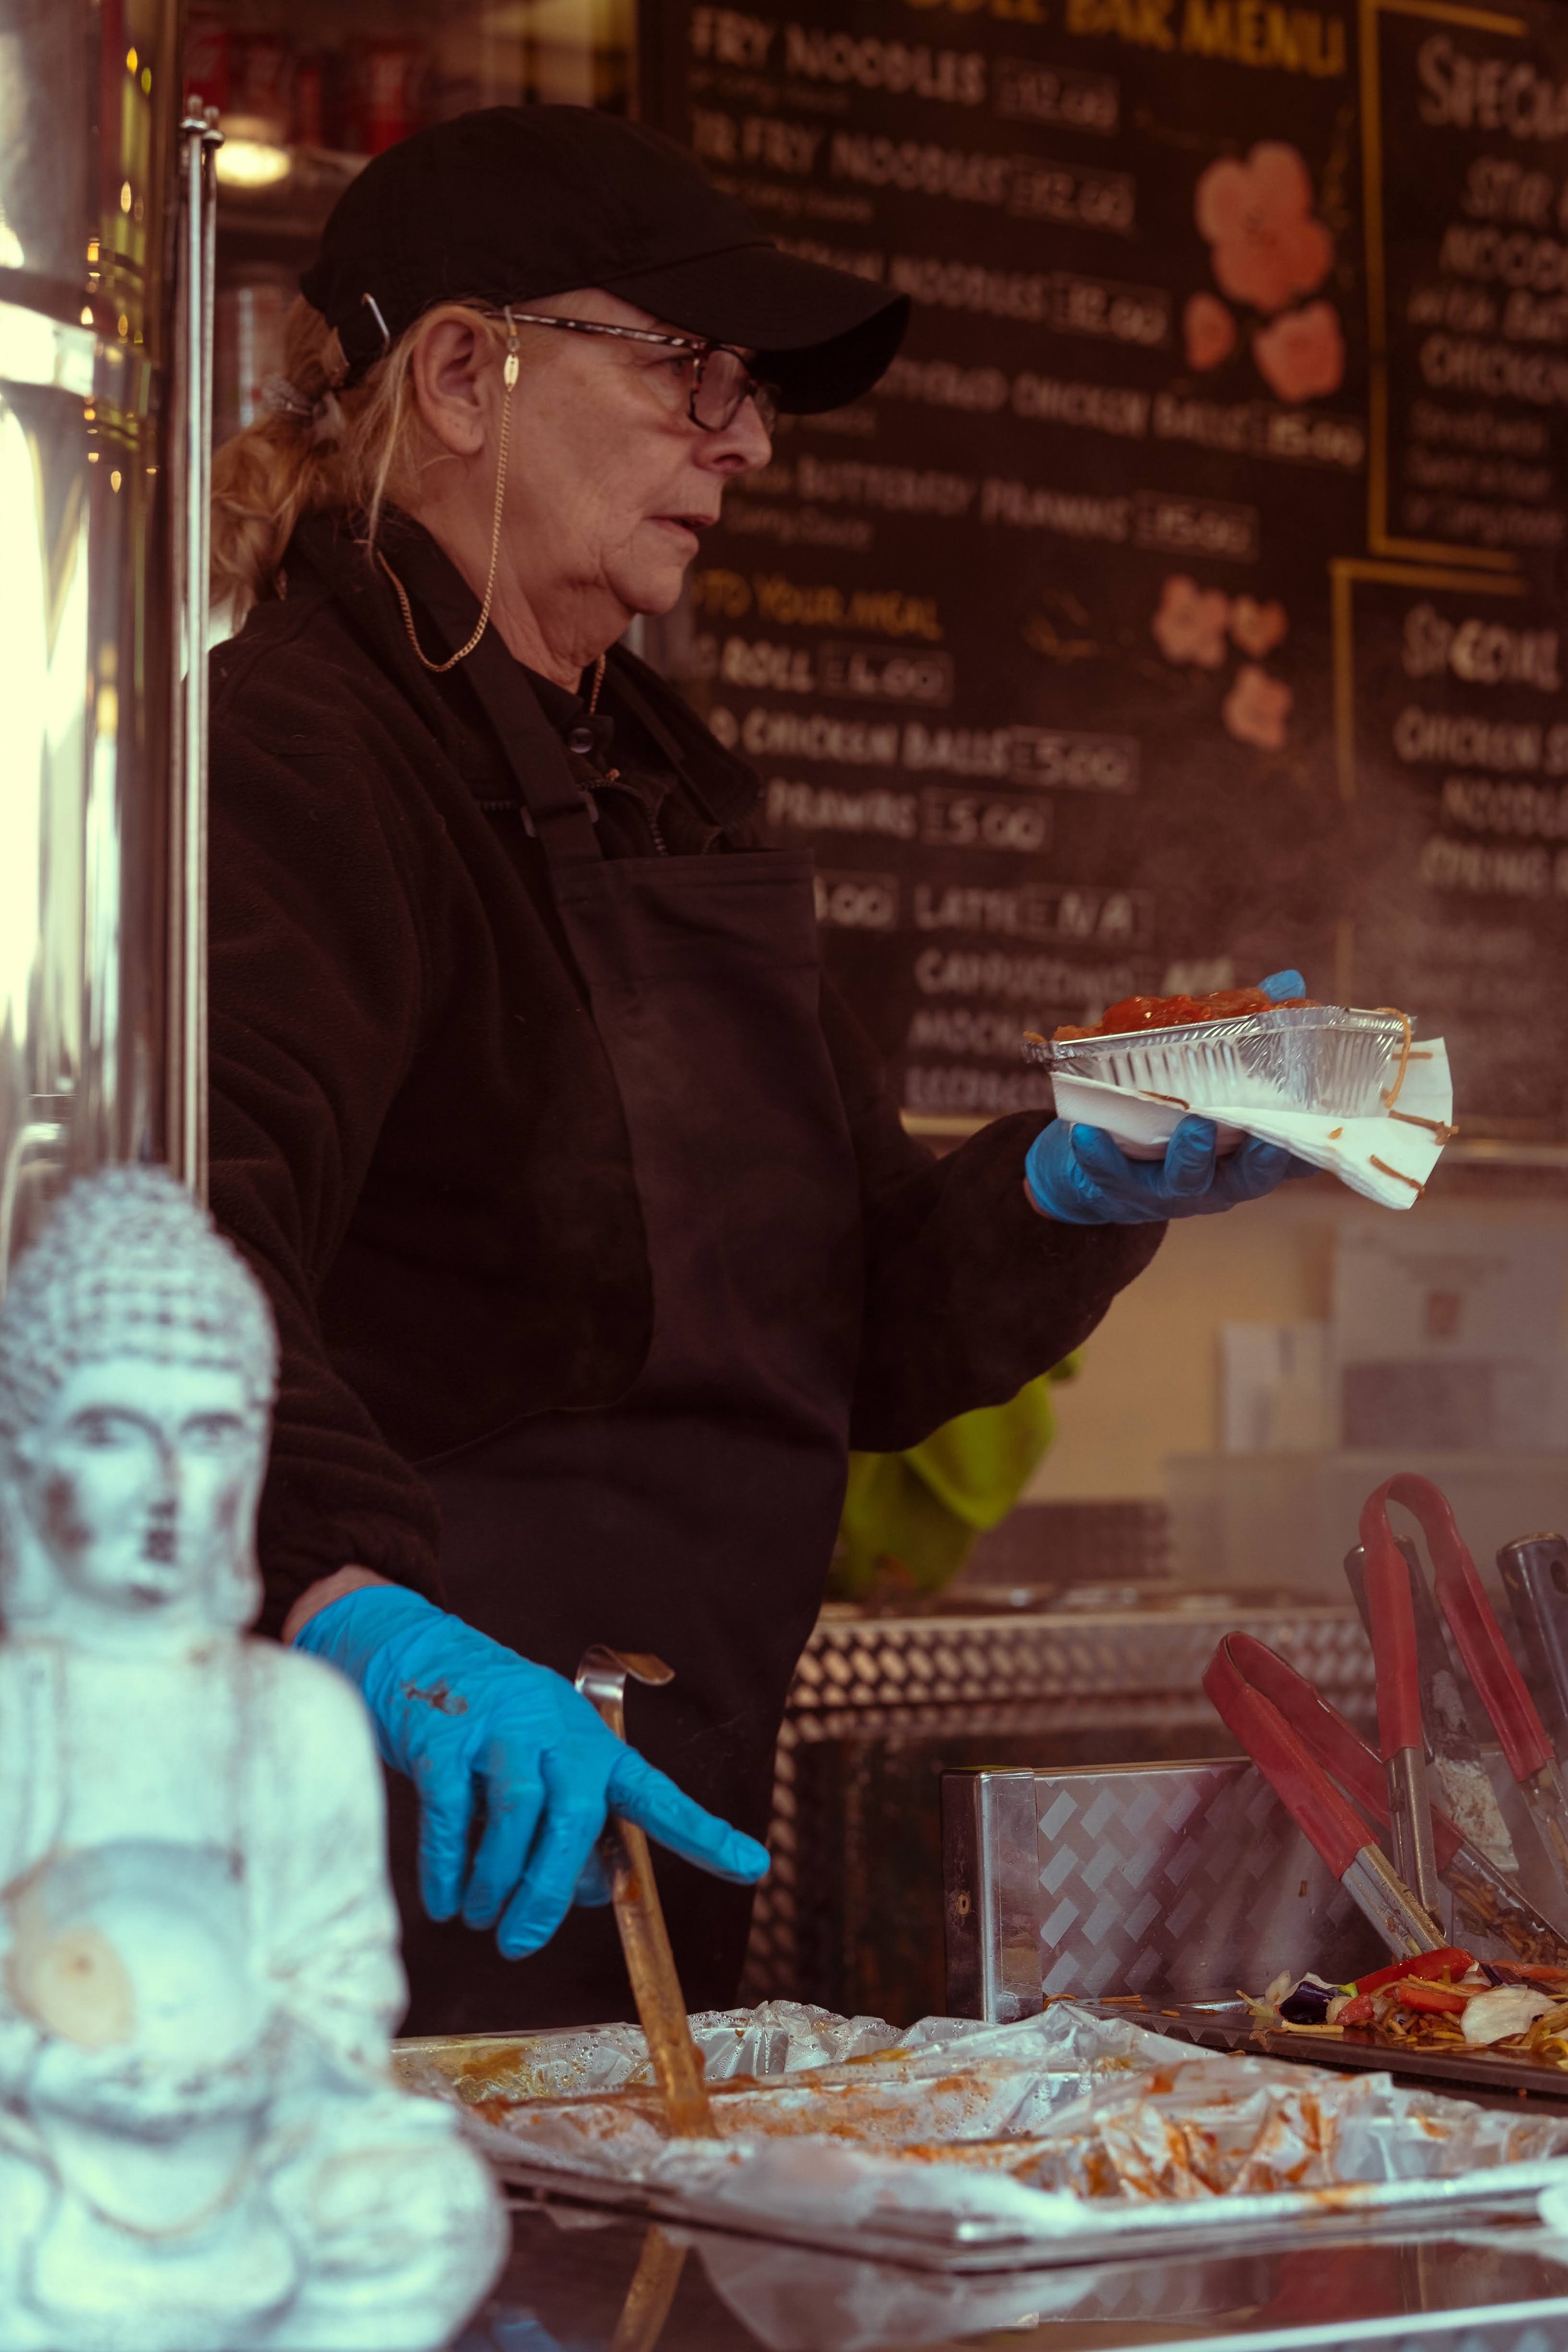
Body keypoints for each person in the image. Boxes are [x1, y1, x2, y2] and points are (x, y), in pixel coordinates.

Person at [205, 103, 1310, 2035]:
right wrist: (343, 1607)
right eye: (694, 373)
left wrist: (1067, 1180)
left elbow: (853, 1332)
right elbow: (177, 1241)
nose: (749, 439)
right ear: (466, 373)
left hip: (652, 1786)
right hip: (372, 1809)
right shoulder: (299, 758)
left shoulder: (663, 781)